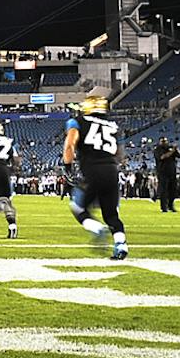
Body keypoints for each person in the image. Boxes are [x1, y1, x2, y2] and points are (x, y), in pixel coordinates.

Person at [62, 97, 126, 258]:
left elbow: (70, 145)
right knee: (111, 215)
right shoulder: (113, 125)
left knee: (78, 208)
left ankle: (97, 229)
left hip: (93, 169)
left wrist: (68, 167)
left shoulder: (77, 121)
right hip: (111, 170)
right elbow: (119, 153)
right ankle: (121, 245)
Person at [153, 139, 179, 213]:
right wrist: (172, 151)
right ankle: (164, 207)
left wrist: (176, 149)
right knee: (164, 191)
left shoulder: (170, 148)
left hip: (172, 172)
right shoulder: (158, 149)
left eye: (166, 141)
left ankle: (171, 205)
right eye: (163, 141)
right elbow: (162, 157)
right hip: (162, 172)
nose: (165, 143)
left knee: (173, 190)